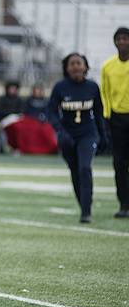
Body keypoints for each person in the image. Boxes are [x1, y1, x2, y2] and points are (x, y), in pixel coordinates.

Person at [48, 53, 107, 223]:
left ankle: (86, 211)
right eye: (72, 64)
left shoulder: (93, 87)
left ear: (85, 67)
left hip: (87, 134)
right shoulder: (60, 87)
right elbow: (51, 111)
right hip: (67, 135)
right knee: (75, 171)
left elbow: (98, 112)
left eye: (79, 63)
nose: (75, 67)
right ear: (66, 68)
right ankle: (83, 205)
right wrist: (60, 131)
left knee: (85, 169)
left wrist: (102, 135)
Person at [101, 27, 129, 219]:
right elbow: (104, 92)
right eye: (118, 39)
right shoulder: (107, 66)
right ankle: (123, 204)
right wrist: (107, 116)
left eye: (125, 38)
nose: (122, 42)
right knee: (119, 163)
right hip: (117, 119)